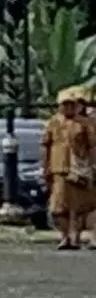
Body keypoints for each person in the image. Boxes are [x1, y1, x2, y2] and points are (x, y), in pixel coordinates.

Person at [50, 85, 96, 252]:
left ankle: (74, 238)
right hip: (59, 169)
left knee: (78, 207)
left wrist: (92, 166)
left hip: (79, 170)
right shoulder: (53, 123)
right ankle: (64, 236)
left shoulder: (84, 124)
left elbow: (92, 146)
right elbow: (45, 146)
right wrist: (45, 168)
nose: (69, 107)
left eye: (72, 104)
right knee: (58, 207)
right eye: (65, 104)